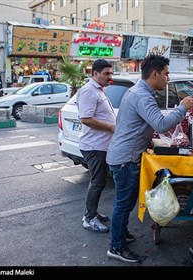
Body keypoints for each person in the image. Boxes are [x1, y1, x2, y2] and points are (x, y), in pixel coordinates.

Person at [105, 54, 193, 263]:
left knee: (125, 203)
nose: (168, 78)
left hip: (124, 155)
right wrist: (182, 107)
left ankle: (120, 234)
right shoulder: (141, 96)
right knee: (123, 203)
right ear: (154, 74)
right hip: (125, 159)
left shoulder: (138, 91)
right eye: (166, 74)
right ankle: (116, 246)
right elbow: (161, 124)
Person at [77, 59, 116, 234]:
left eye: (111, 73)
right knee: (98, 181)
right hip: (94, 146)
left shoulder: (99, 90)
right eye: (106, 74)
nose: (110, 77)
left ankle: (92, 212)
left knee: (99, 181)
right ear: (95, 74)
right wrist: (111, 127)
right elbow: (86, 119)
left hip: (101, 145)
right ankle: (89, 218)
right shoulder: (89, 91)